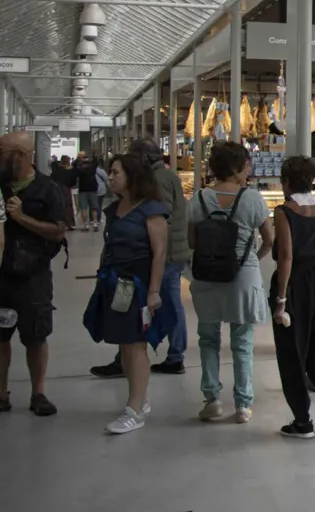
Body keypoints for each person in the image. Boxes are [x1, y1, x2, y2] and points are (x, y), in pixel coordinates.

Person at [83, 153, 171, 434]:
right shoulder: (115, 208)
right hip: (114, 283)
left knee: (135, 345)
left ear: (132, 176)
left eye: (115, 172)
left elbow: (159, 253)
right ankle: (139, 398)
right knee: (124, 343)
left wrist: (154, 291)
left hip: (140, 285)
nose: (110, 177)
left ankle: (134, 409)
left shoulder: (152, 210)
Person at [90, 138, 191, 378]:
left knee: (159, 305)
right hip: (172, 253)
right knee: (167, 304)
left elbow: (158, 219)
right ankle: (144, 356)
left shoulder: (156, 181)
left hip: (163, 258)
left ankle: (167, 356)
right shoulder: (168, 176)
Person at [187, 142, 273, 424]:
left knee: (208, 338)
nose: (248, 171)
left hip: (207, 273)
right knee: (242, 340)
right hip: (242, 275)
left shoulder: (199, 198)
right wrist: (250, 258)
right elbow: (269, 239)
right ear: (236, 168)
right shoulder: (252, 199)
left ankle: (211, 399)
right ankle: (243, 405)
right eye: (246, 165)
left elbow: (191, 241)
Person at [271, 156, 315, 438]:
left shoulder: (284, 211)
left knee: (292, 350)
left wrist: (281, 298)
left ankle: (302, 420)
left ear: (285, 182)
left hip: (297, 283)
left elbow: (286, 256)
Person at [0, 132, 66, 417]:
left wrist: (22, 217)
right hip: (1, 275)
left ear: (21, 155)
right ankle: (1, 393)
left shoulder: (48, 189)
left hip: (33, 276)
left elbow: (59, 230)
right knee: (0, 337)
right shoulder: (0, 185)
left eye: (2, 151)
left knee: (36, 336)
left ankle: (38, 392)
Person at [73, 152, 102, 231]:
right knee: (94, 208)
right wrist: (93, 154)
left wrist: (78, 158)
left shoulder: (79, 167)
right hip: (93, 188)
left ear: (81, 158)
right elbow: (96, 161)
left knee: (83, 208)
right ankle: (95, 224)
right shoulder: (92, 165)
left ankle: (86, 225)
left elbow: (74, 166)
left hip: (83, 189)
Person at [50, 155, 77, 231]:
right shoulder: (69, 170)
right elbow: (72, 181)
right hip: (66, 188)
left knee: (60, 205)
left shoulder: (56, 169)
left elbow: (52, 177)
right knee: (68, 205)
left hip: (57, 188)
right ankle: (69, 223)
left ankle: (61, 223)